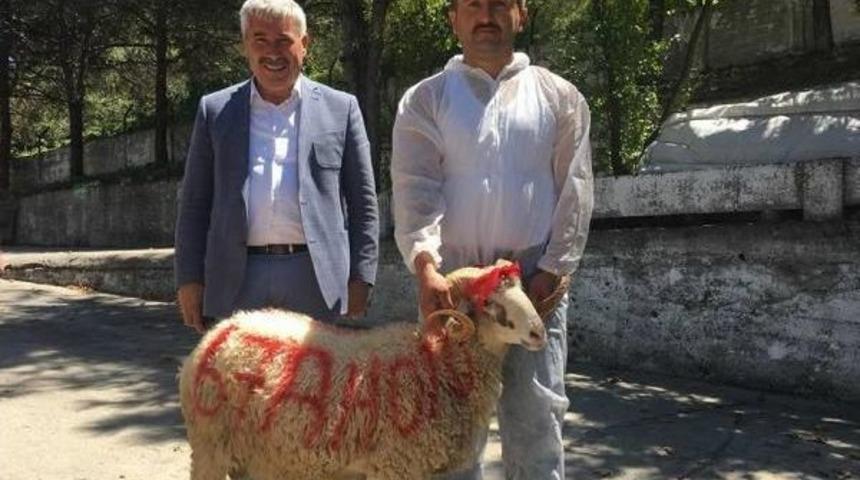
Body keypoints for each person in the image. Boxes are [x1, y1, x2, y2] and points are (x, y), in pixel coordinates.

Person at [391, 0, 594, 478]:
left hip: (533, 285)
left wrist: (554, 269)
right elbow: (414, 189)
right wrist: (425, 269)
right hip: (454, 287)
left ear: (521, 14)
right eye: (472, 5)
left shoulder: (558, 96)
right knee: (450, 423)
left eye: (499, 3)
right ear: (453, 19)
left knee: (537, 418)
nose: (486, 15)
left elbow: (576, 188)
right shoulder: (426, 99)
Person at [175, 0, 379, 334]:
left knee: (315, 383)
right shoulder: (214, 111)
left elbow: (364, 203)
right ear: (245, 47)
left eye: (284, 40)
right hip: (235, 279)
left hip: (314, 280)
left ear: (304, 44)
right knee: (240, 384)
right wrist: (189, 279)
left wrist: (362, 276)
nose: (273, 52)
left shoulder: (341, 109)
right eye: (260, 40)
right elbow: (195, 204)